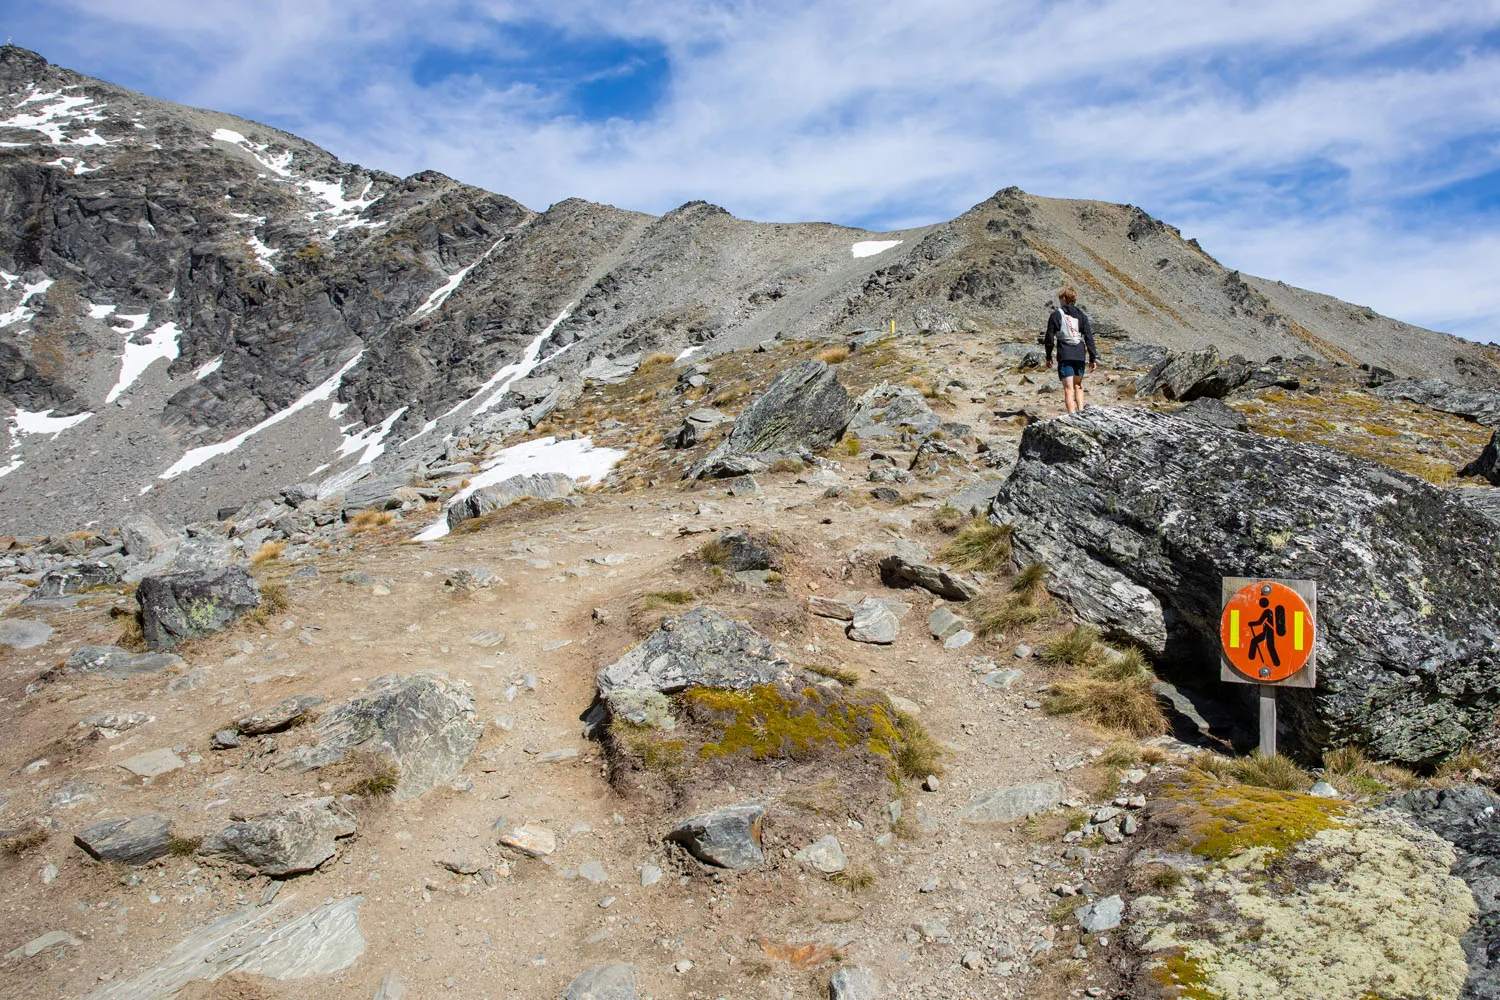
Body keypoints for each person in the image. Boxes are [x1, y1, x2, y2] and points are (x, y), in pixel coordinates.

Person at [1043, 287, 1097, 414]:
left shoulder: (1056, 315)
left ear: (1065, 299)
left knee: (1068, 388)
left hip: (1065, 354)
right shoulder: (1081, 316)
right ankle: (1082, 412)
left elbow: (1049, 337)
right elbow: (1088, 337)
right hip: (1079, 353)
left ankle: (1072, 416)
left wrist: (1048, 356)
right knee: (1077, 386)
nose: (1059, 301)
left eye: (1061, 299)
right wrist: (1092, 358)